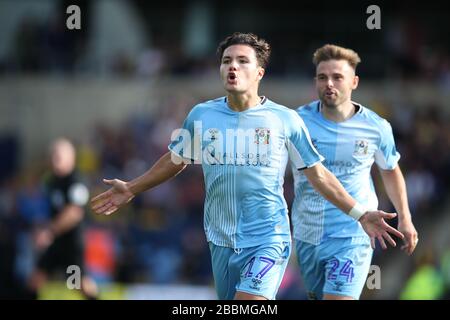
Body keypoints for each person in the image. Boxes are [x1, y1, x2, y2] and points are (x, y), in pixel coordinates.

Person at [91, 33, 403, 300]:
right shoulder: (201, 116)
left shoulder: (284, 120)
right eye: (227, 61)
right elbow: (175, 160)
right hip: (220, 238)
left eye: (242, 61)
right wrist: (132, 187)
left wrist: (360, 214)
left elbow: (318, 174)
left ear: (259, 73)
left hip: (269, 237)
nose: (232, 67)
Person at [291, 44, 418, 300]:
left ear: (354, 82)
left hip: (354, 232)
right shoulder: (296, 122)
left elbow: (390, 171)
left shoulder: (376, 127)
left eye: (337, 77)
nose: (329, 84)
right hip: (307, 232)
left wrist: (405, 217)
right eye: (322, 77)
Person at [29, 138, 98, 299]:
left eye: (59, 156)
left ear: (71, 157)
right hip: (55, 242)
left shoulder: (77, 181)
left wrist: (49, 231)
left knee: (78, 284)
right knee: (35, 280)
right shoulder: (52, 181)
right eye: (53, 156)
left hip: (71, 243)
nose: (55, 160)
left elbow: (74, 212)